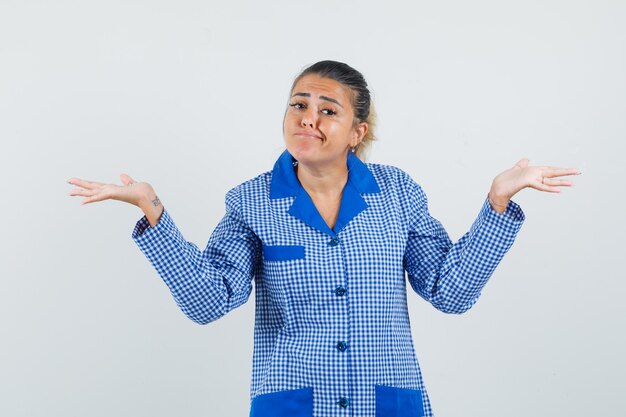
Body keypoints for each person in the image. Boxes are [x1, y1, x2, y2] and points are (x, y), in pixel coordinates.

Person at [67, 60, 580, 417]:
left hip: (387, 403)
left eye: (328, 109)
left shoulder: (397, 192)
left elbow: (451, 291)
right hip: (291, 404)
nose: (308, 118)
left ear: (358, 131)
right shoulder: (251, 201)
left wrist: (496, 203)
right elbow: (208, 301)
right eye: (298, 105)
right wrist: (151, 208)